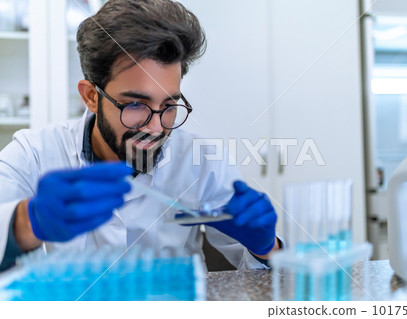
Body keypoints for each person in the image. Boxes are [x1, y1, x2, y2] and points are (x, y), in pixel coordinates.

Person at [0, 0, 280, 272]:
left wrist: (266, 247)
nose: (156, 128)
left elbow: (267, 274)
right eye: (135, 105)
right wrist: (26, 222)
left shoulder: (202, 161)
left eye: (169, 106)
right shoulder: (32, 153)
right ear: (91, 97)